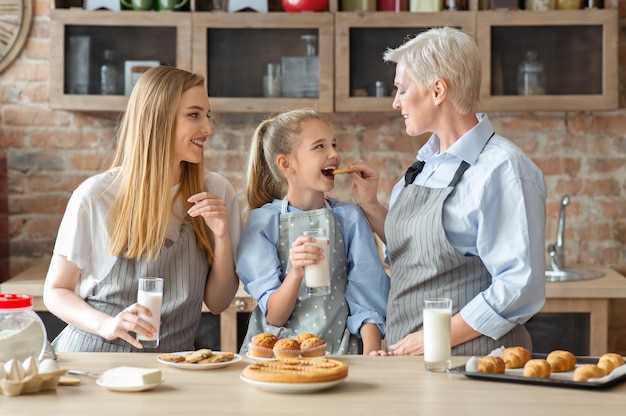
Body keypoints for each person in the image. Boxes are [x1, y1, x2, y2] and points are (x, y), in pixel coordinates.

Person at [347, 27, 546, 356]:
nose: (395, 102)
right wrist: (371, 205)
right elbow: (415, 254)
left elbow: (519, 286)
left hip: (476, 364)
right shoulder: (425, 165)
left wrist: (432, 337)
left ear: (438, 90)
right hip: (413, 360)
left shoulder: (502, 168)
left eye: (402, 89)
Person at [43, 66, 242, 353]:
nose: (208, 128)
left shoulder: (216, 192)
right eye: (194, 115)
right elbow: (56, 291)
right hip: (94, 361)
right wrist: (106, 325)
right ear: (158, 120)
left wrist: (221, 237)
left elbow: (219, 302)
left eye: (207, 115)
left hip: (173, 364)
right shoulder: (96, 196)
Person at [236, 108, 389, 355]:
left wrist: (372, 354)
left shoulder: (349, 217)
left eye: (334, 145)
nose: (334, 154)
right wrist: (296, 272)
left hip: (338, 351)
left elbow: (367, 299)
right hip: (277, 354)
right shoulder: (262, 223)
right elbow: (275, 315)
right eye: (320, 147)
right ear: (286, 164)